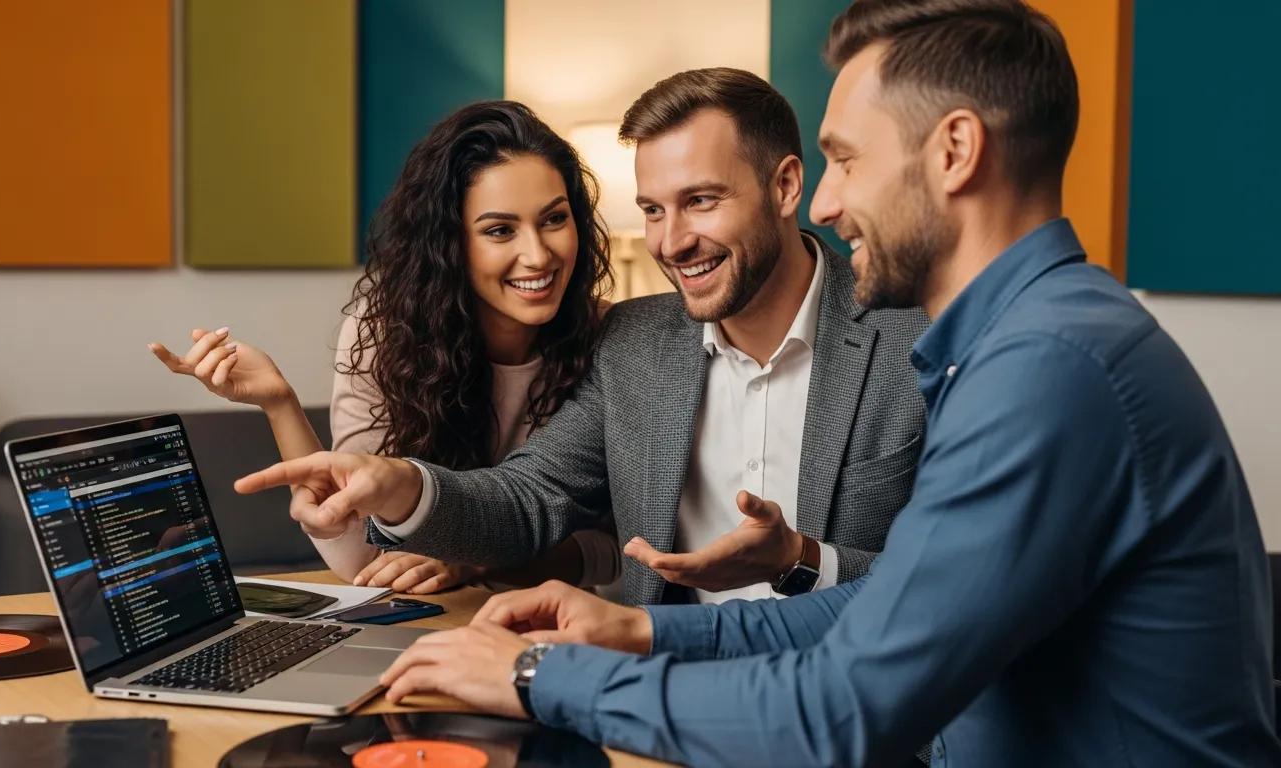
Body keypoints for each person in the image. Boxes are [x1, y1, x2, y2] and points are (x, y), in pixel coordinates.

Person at [238, 1, 1281, 766]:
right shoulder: (1033, 337)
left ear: (955, 151)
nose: (829, 194)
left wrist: (534, 677)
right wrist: (640, 627)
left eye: (843, 158)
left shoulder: (1047, 369)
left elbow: (847, 705)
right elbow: (879, 616)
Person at [232, 67, 929, 609]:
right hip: (663, 691)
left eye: (701, 201)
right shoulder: (635, 343)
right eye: (652, 210)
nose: (671, 241)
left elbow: (959, 576)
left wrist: (800, 559)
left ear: (784, 186)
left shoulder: (916, 337)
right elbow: (528, 497)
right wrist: (401, 484)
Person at [150, 101, 621, 594]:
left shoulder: (614, 342)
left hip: (563, 631)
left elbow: (616, 553)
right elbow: (363, 562)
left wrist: (473, 562)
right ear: (449, 243)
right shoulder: (387, 338)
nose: (538, 254)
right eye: (500, 230)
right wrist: (278, 403)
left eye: (554, 219)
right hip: (438, 625)